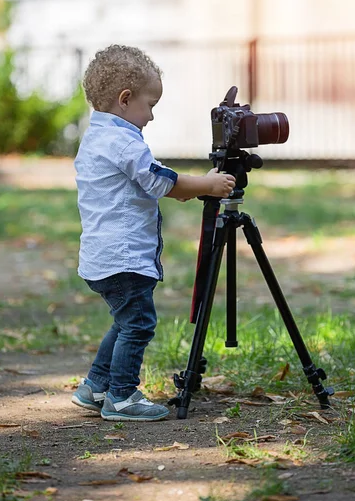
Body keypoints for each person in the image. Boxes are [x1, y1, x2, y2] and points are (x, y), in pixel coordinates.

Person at [72, 44, 236, 421]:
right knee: (139, 323)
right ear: (125, 100)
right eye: (150, 105)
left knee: (125, 320)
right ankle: (123, 397)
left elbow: (148, 181)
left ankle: (96, 386)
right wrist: (206, 185)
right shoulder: (122, 141)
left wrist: (186, 188)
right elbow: (159, 178)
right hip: (123, 257)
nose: (151, 116)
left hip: (103, 257)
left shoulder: (97, 137)